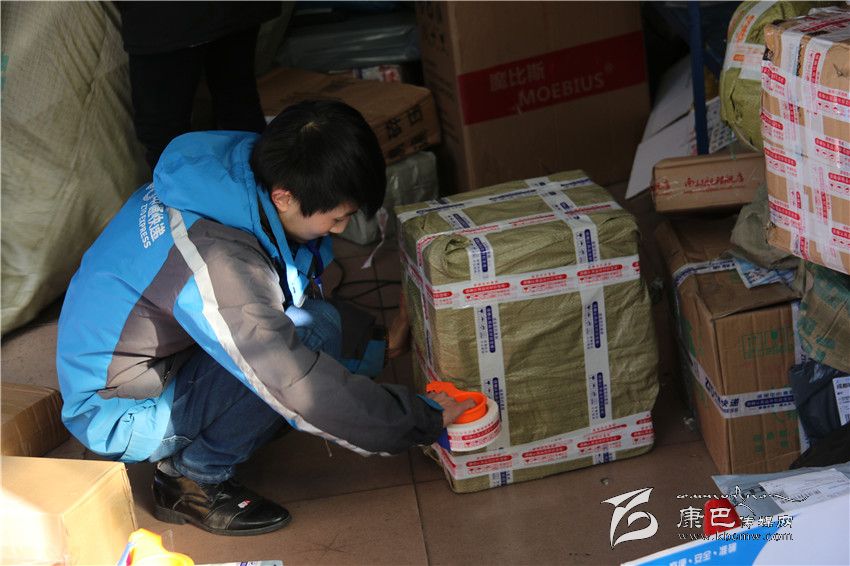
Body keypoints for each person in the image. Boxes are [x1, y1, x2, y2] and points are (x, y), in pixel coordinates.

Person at [56, 100, 473, 536]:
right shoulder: (219, 261)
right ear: (284, 197)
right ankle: (191, 479)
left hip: (149, 366)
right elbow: (292, 379)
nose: (340, 230)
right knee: (304, 342)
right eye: (336, 218)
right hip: (118, 410)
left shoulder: (239, 173)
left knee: (314, 326)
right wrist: (419, 419)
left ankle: (203, 448)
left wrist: (379, 345)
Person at [116, 1, 280, 170]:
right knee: (238, 104)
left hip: (167, 14)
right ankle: (262, 180)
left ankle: (184, 186)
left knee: (162, 130)